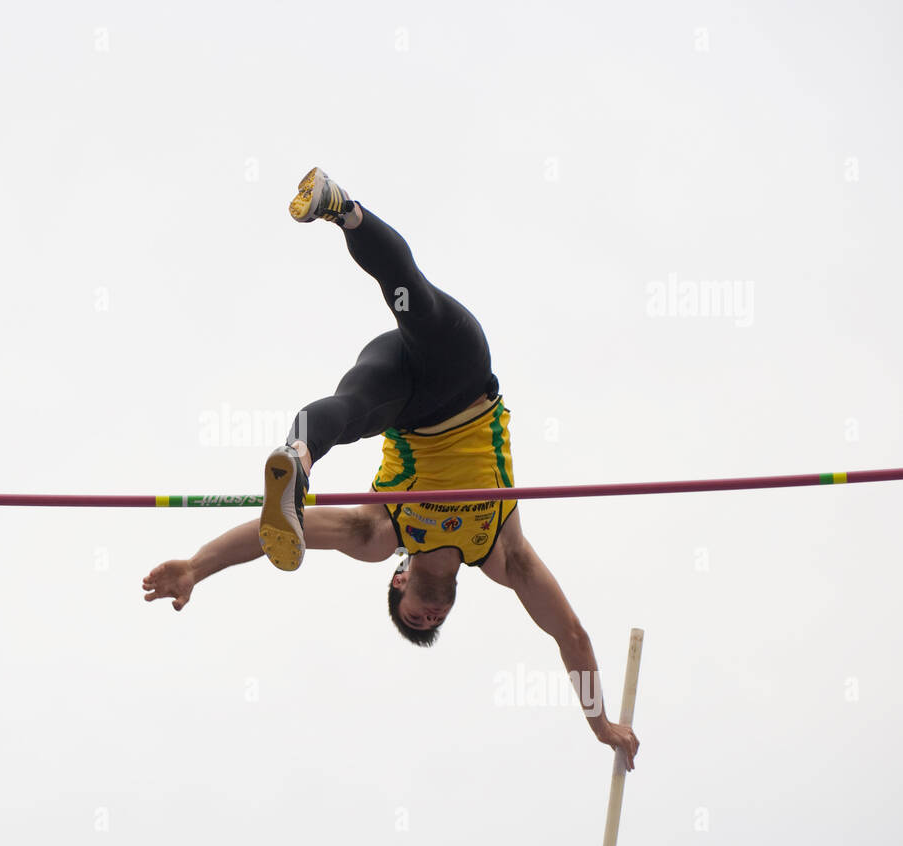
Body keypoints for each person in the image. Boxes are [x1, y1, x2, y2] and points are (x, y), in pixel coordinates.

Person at [143, 168, 639, 768]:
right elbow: (572, 637)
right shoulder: (502, 553)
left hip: (406, 392)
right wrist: (600, 724)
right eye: (436, 621)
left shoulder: (382, 535)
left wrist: (198, 566)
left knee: (368, 378)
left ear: (399, 581)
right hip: (461, 386)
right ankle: (342, 220)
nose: (430, 616)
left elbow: (267, 533)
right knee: (389, 341)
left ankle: (296, 455)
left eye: (414, 618)